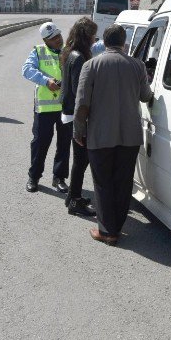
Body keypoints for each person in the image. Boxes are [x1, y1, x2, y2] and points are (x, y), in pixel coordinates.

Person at [74, 25, 153, 244]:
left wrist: (79, 130)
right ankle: (117, 226)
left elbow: (82, 104)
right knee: (123, 181)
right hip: (130, 135)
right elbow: (146, 96)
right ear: (124, 42)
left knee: (102, 182)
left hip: (100, 135)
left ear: (104, 43)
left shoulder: (91, 65)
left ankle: (107, 231)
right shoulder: (137, 65)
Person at [22, 22, 70, 193]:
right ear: (45, 40)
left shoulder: (68, 50)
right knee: (40, 143)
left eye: (58, 35)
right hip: (45, 109)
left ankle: (59, 178)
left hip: (66, 106)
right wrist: (46, 81)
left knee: (64, 144)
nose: (58, 39)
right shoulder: (38, 51)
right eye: (53, 38)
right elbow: (26, 70)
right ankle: (34, 177)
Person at [60, 18, 98, 217]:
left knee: (79, 159)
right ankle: (75, 201)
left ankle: (72, 197)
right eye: (92, 34)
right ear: (86, 36)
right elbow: (78, 91)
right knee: (81, 160)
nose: (94, 39)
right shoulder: (79, 57)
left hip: (69, 113)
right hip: (76, 116)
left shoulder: (69, 53)